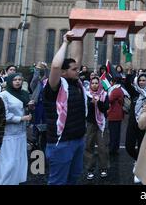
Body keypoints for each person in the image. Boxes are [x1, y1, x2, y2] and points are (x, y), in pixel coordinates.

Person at [43, 31, 87, 185]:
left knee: (73, 178)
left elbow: (77, 59)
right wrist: (66, 42)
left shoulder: (75, 83)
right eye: (74, 69)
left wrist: (80, 37)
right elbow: (55, 65)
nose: (78, 71)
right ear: (63, 72)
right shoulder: (55, 86)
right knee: (58, 182)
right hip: (61, 143)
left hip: (77, 140)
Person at [0, 73, 31, 185]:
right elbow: (3, 115)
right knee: (9, 163)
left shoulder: (24, 94)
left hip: (21, 134)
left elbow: (23, 109)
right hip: (8, 134)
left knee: (18, 161)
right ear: (9, 81)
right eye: (15, 80)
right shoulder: (4, 95)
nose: (18, 82)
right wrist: (21, 118)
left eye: (20, 79)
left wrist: (29, 107)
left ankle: (13, 182)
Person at [84, 76, 110, 180]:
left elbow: (105, 108)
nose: (94, 85)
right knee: (89, 146)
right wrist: (91, 103)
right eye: (93, 83)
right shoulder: (87, 95)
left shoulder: (104, 94)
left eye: (96, 83)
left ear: (99, 84)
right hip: (90, 123)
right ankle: (90, 169)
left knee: (102, 146)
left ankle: (104, 168)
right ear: (90, 84)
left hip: (102, 123)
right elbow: (85, 109)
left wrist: (98, 102)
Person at [108, 77, 125, 157]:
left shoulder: (115, 90)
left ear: (114, 82)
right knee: (116, 133)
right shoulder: (119, 89)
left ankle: (112, 149)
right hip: (118, 114)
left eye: (111, 81)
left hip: (114, 114)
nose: (110, 83)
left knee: (113, 133)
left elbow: (110, 99)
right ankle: (115, 148)